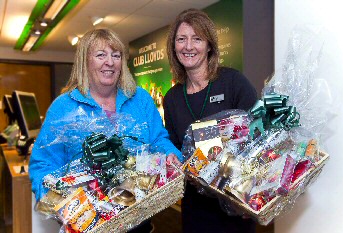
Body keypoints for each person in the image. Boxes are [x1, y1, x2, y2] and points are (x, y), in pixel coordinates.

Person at [29, 28, 181, 233]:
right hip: (87, 222)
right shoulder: (63, 108)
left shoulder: (140, 99)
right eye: (101, 55)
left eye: (116, 55)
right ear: (85, 61)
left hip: (138, 219)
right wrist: (58, 203)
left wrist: (171, 155)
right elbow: (43, 165)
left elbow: (158, 140)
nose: (110, 62)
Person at [164, 9, 258, 233]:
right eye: (181, 39)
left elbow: (258, 136)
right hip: (196, 207)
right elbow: (177, 147)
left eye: (197, 38)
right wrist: (171, 159)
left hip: (236, 202)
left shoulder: (233, 82)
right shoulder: (172, 98)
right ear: (173, 46)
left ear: (209, 45)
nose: (188, 46)